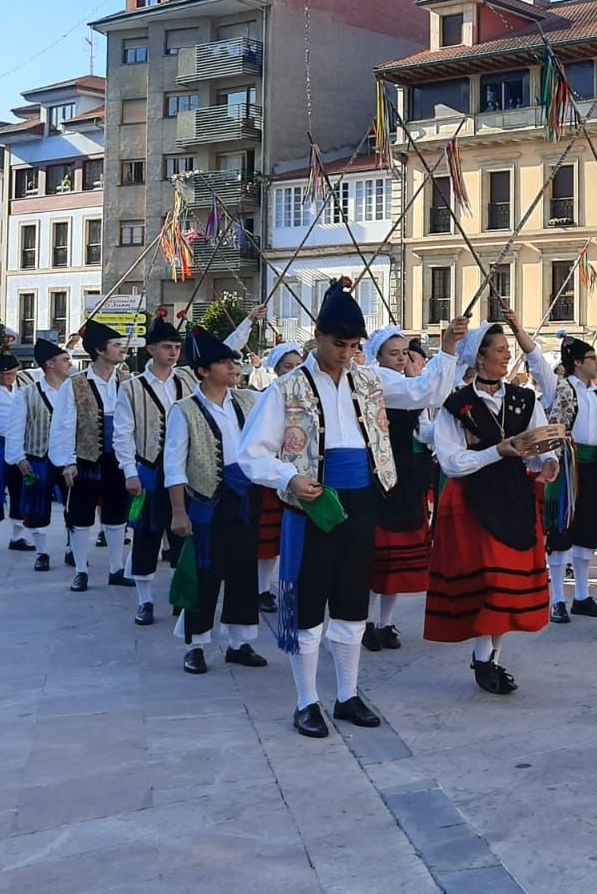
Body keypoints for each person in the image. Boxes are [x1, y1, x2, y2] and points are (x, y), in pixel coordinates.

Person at [235, 281, 465, 740]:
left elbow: (423, 392)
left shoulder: (369, 379)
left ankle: (347, 694)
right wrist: (288, 478)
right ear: (317, 336)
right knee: (308, 604)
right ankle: (306, 701)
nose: (345, 353)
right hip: (314, 503)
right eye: (338, 344)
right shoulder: (286, 387)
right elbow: (251, 453)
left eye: (353, 345)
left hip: (362, 501)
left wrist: (448, 351)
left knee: (351, 602)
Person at [426, 321, 563, 694]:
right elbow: (451, 462)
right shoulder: (456, 405)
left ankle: (492, 661)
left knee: (504, 585)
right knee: (488, 585)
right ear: (479, 358)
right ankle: (484, 660)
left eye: (507, 349)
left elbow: (539, 445)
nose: (506, 355)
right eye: (500, 349)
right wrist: (494, 452)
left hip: (514, 496)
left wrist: (548, 463)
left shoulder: (524, 399)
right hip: (472, 498)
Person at [164, 329, 267, 674]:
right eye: (224, 362)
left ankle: (239, 642)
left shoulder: (248, 401)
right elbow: (174, 465)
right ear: (204, 371)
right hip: (208, 501)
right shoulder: (184, 410)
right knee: (205, 573)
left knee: (242, 571)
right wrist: (179, 511)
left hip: (246, 499)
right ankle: (195, 644)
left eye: (233, 361)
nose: (233, 366)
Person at [363, 325, 461, 652]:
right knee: (377, 554)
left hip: (403, 473)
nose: (400, 358)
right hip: (379, 473)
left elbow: (424, 431)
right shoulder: (378, 380)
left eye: (404, 353)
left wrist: (457, 432)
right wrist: (447, 350)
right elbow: (426, 391)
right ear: (378, 356)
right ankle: (365, 622)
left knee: (395, 559)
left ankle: (385, 623)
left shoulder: (401, 384)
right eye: (393, 353)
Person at [545, 335, 597, 623]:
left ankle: (581, 595)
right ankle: (557, 599)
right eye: (591, 358)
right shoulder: (560, 388)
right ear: (577, 362)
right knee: (561, 529)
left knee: (588, 529)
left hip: (593, 467)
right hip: (566, 466)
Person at [63, 319, 133, 592]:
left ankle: (116, 569)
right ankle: (81, 570)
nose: (121, 350)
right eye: (116, 345)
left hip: (119, 460)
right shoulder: (76, 384)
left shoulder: (128, 381)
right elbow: (65, 425)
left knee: (117, 516)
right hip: (86, 460)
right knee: (80, 517)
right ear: (100, 351)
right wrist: (68, 461)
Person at [5, 338, 74, 572]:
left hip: (68, 459)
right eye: (65, 360)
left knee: (72, 506)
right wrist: (19, 458)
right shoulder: (27, 394)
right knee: (37, 507)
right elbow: (15, 428)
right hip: (38, 458)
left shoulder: (75, 390)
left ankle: (72, 548)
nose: (70, 364)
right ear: (50, 364)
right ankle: (42, 552)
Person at [251, 343, 304, 610]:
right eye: (288, 366)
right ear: (277, 369)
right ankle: (261, 588)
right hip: (274, 479)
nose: (294, 371)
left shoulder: (308, 397)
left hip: (303, 477)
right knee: (267, 540)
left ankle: (294, 587)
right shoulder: (267, 396)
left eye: (298, 366)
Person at [0, 350, 27, 554]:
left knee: (20, 487)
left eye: (9, 375)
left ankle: (17, 536)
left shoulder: (25, 383)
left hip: (20, 443)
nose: (5, 379)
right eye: (0, 375)